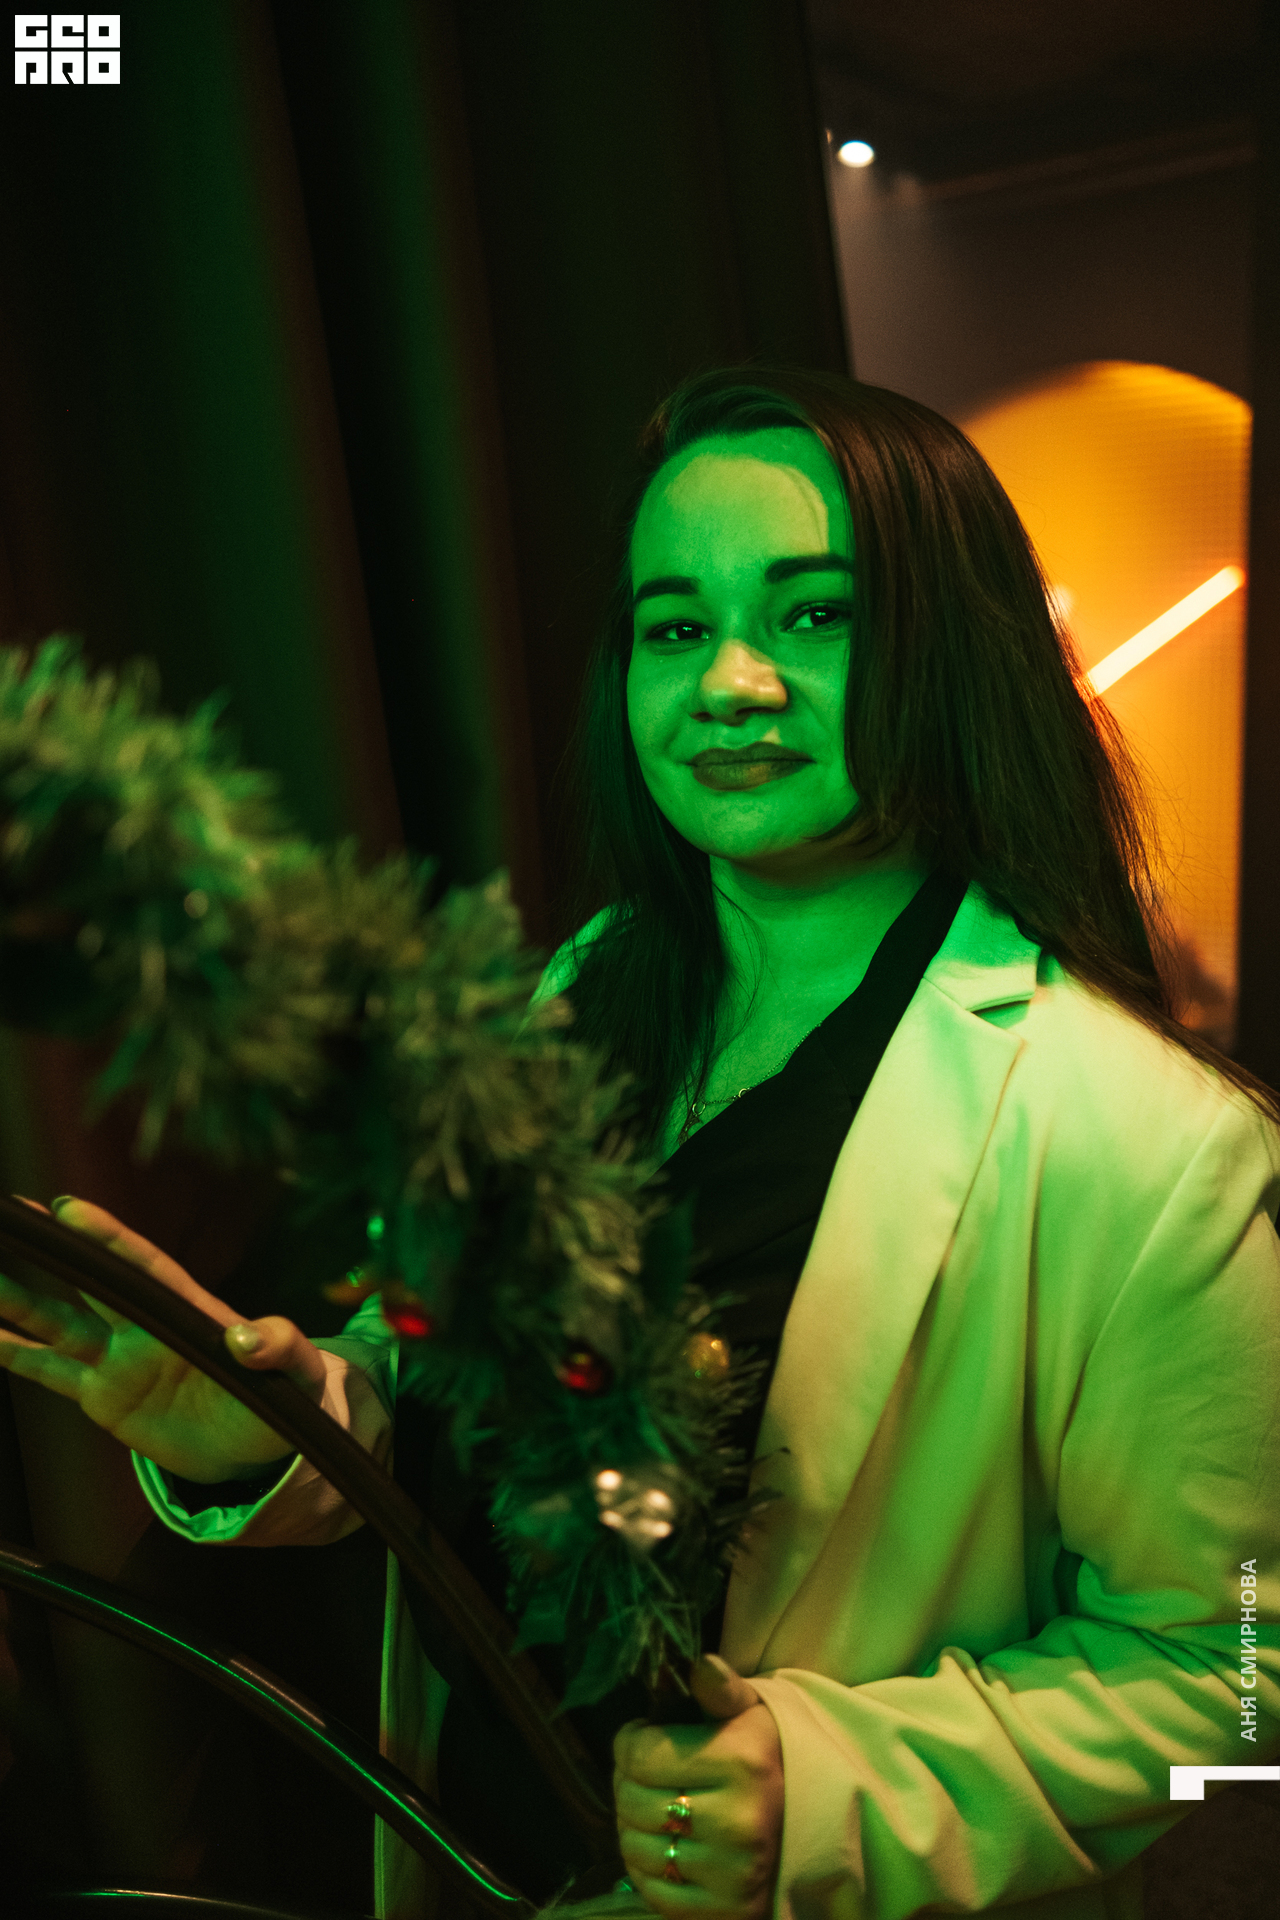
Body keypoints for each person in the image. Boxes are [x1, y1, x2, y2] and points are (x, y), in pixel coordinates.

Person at [1, 368, 1277, 1920]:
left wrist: (835, 1793)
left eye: (814, 615)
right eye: (676, 628)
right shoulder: (581, 996)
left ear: (953, 644)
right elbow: (496, 1406)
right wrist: (293, 1421)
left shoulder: (1153, 1144)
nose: (730, 680)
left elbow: (1244, 1690)